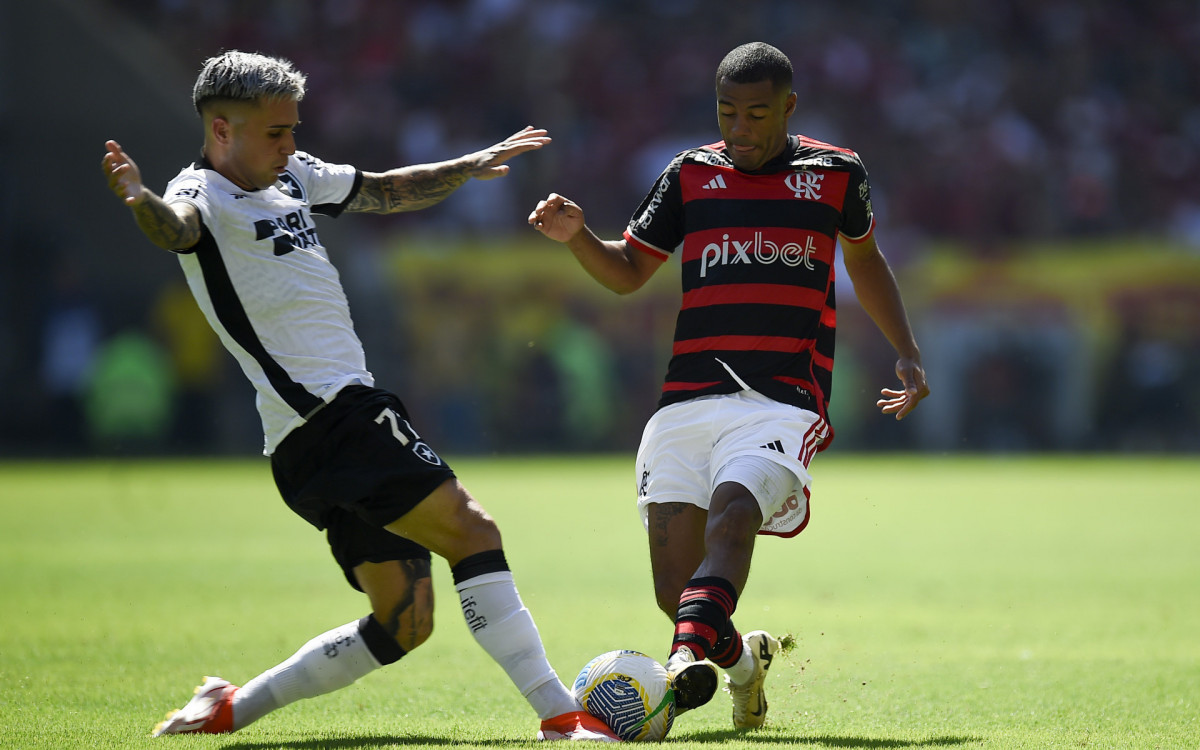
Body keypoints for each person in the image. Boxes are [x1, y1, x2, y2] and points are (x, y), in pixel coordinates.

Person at [102, 50, 617, 743]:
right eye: (275, 133)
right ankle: (563, 718)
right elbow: (179, 228)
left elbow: (384, 189)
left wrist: (470, 165)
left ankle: (229, 708)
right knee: (474, 532)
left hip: (303, 441)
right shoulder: (200, 193)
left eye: (292, 128)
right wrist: (139, 201)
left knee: (404, 621)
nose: (289, 146)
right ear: (222, 130)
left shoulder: (293, 175)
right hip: (335, 416)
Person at [528, 42, 929, 730]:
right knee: (676, 589)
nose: (740, 129)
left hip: (781, 398)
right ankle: (745, 665)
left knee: (735, 513)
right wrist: (577, 237)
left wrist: (907, 353)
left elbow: (865, 260)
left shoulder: (836, 174)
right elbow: (628, 270)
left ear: (789, 108)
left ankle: (684, 659)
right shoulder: (689, 174)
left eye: (756, 114)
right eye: (727, 114)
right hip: (686, 398)